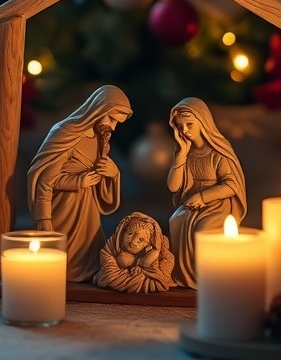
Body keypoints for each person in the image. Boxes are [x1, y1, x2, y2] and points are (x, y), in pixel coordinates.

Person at [27, 85, 132, 282]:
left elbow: (100, 180)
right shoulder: (65, 133)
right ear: (98, 109)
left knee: (87, 256)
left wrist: (113, 174)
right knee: (61, 257)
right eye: (111, 119)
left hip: (87, 211)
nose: (113, 127)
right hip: (64, 209)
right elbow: (44, 179)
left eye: (117, 123)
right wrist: (44, 218)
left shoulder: (101, 138)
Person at [167, 96, 247, 288]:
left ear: (202, 122)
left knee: (204, 229)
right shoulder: (185, 152)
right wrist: (181, 155)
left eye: (189, 124)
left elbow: (231, 185)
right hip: (192, 202)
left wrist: (203, 197)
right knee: (175, 221)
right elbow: (173, 187)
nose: (184, 130)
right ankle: (184, 275)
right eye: (180, 126)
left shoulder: (219, 152)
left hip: (217, 203)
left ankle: (206, 276)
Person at [93, 211, 175, 294]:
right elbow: (108, 278)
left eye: (141, 240)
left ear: (149, 244)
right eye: (130, 234)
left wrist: (149, 259)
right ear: (122, 233)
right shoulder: (110, 249)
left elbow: (158, 283)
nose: (133, 241)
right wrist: (139, 274)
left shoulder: (154, 254)